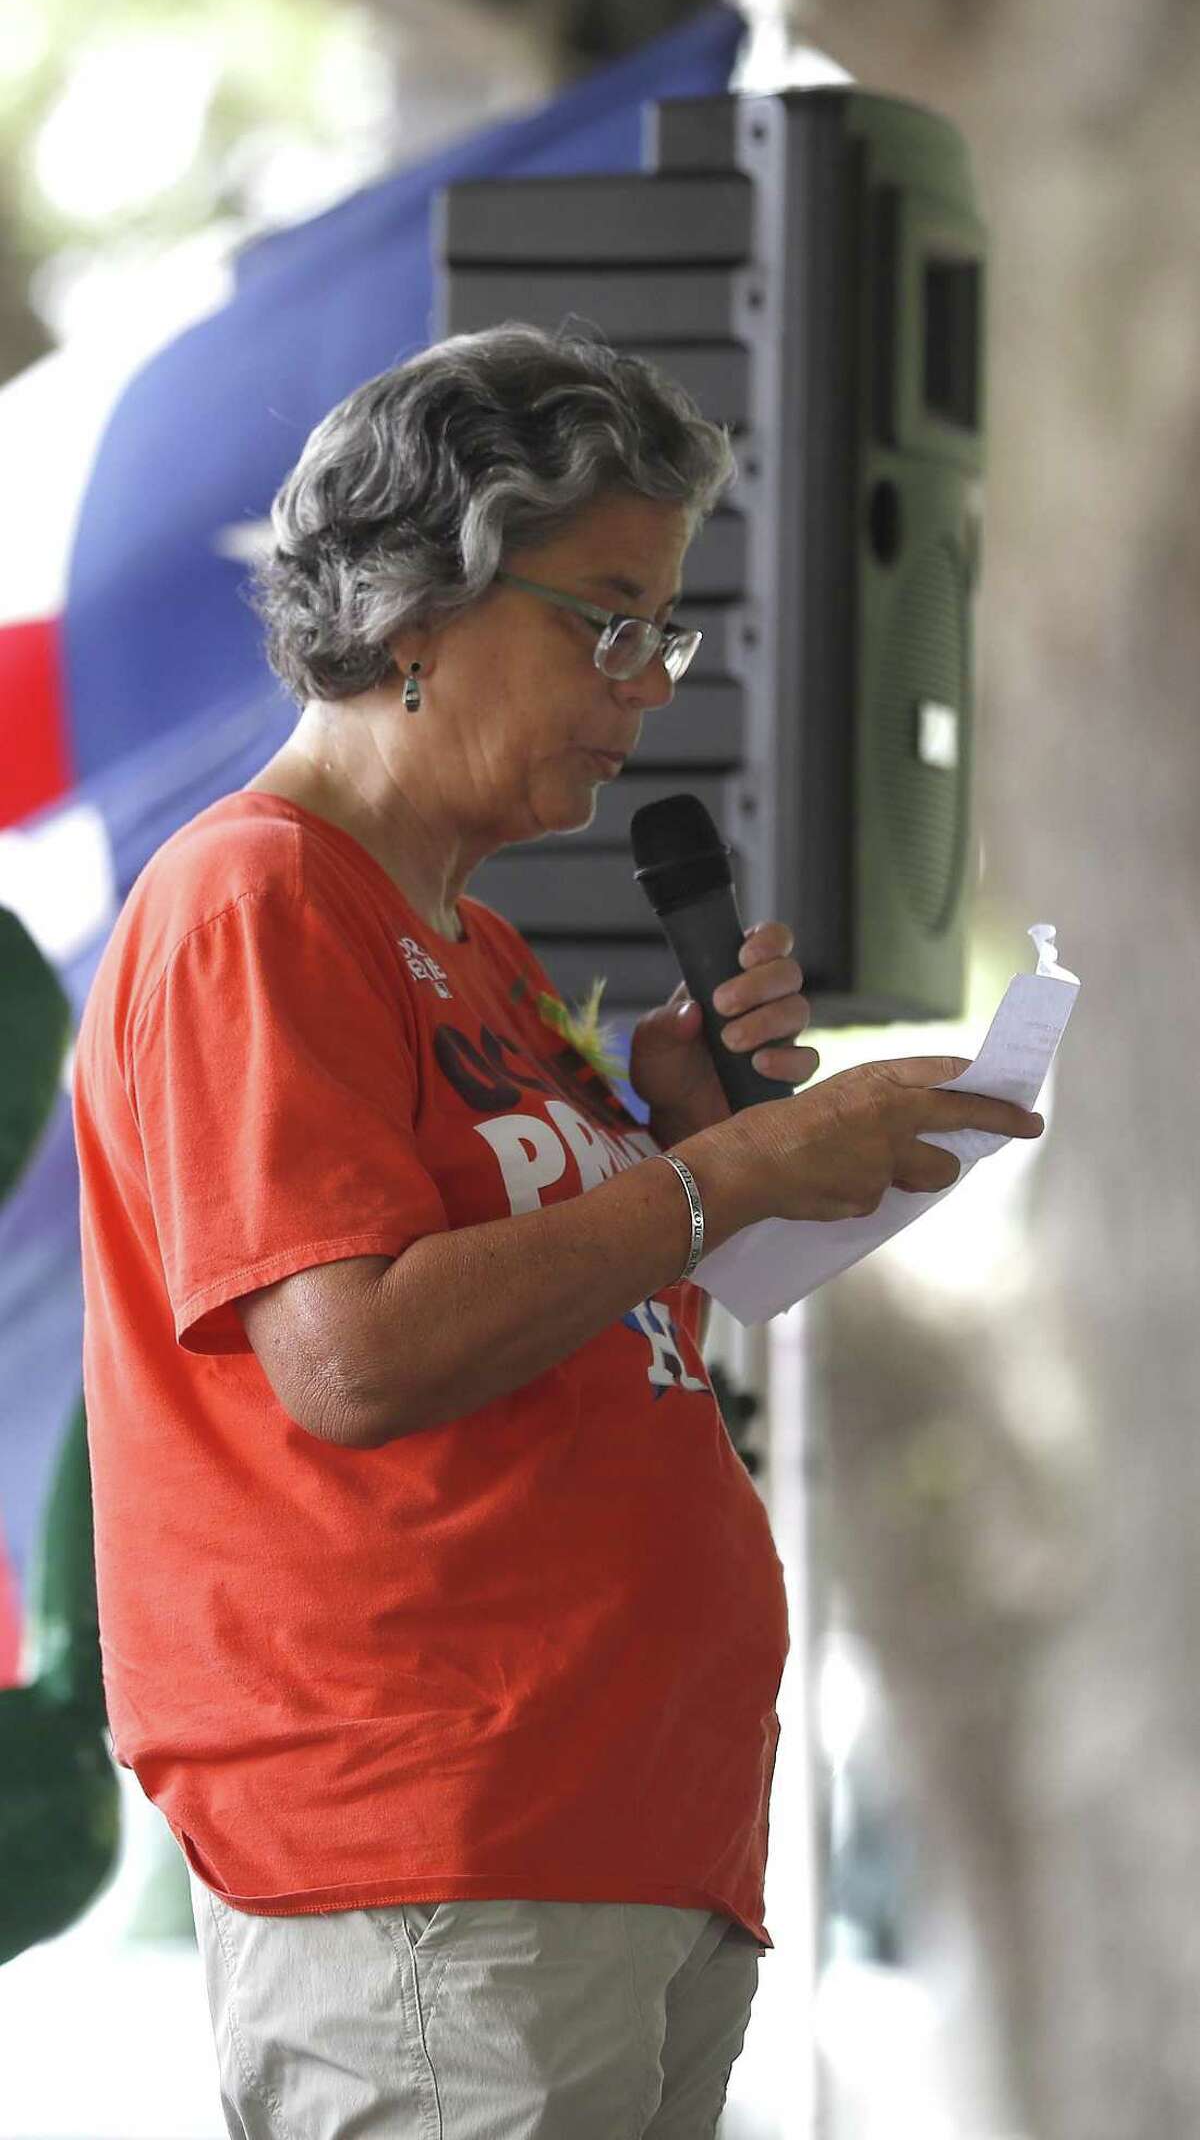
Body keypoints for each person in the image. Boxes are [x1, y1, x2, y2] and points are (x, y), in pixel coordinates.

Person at [72, 323, 1042, 2140]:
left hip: (601, 1843)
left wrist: (680, 1138)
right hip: (432, 1855)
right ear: (413, 606)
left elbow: (575, 1321)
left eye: (659, 630)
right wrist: (718, 1180)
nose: (646, 683)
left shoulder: (485, 955)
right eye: (606, 618)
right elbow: (353, 1357)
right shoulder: (254, 900)